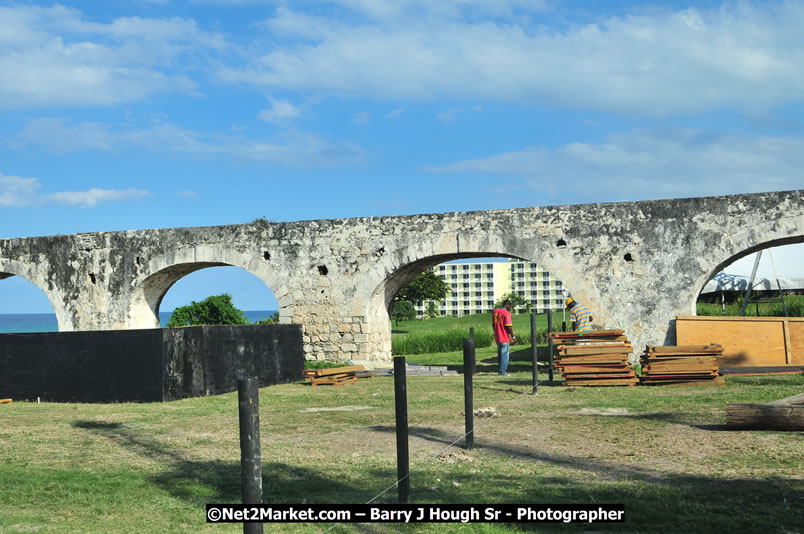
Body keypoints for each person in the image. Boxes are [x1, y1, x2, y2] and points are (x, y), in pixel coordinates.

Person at [492, 299, 515, 376]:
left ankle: (500, 370)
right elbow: (509, 326)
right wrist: (513, 337)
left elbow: (493, 324)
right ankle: (502, 372)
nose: (509, 308)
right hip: (504, 337)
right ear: (507, 305)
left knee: (500, 354)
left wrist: (496, 331)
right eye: (509, 307)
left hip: (497, 337)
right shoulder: (506, 313)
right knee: (505, 355)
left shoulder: (495, 311)